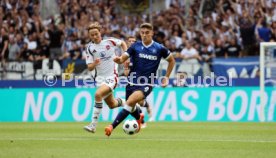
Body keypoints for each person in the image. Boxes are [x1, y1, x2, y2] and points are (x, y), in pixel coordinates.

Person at [105, 23, 175, 136]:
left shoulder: (159, 48)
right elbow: (123, 58)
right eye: (142, 33)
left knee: (130, 102)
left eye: (147, 33)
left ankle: (111, 126)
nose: (144, 35)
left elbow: (172, 60)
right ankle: (139, 116)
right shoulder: (135, 46)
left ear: (152, 33)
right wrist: (119, 60)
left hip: (147, 83)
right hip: (131, 82)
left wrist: (166, 78)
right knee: (131, 107)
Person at [83, 22, 128, 133]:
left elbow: (122, 43)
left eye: (96, 34)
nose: (94, 36)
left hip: (112, 76)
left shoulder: (109, 42)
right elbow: (89, 67)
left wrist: (124, 56)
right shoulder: (89, 48)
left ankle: (93, 126)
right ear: (89, 36)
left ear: (100, 32)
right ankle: (131, 103)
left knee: (98, 95)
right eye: (92, 35)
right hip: (100, 79)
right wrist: (94, 63)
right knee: (112, 104)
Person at [124, 36, 153, 126]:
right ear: (127, 43)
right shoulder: (126, 56)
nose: (132, 42)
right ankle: (142, 117)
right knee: (130, 103)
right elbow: (126, 73)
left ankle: (142, 120)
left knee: (137, 102)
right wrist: (126, 65)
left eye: (134, 41)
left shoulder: (140, 52)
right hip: (130, 82)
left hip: (141, 81)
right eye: (130, 41)